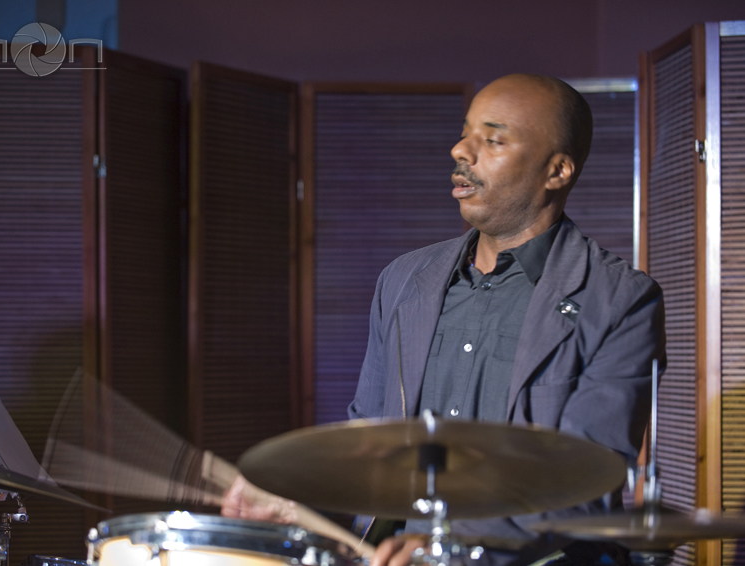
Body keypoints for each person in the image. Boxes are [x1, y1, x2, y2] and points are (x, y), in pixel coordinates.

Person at [224, 74, 666, 566]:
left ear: (557, 171)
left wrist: (455, 551)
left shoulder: (620, 300)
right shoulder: (401, 280)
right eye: (464, 133)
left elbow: (589, 478)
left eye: (492, 140)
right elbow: (367, 439)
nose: (460, 150)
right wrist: (291, 494)